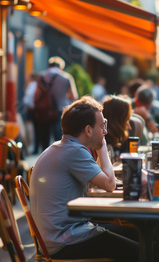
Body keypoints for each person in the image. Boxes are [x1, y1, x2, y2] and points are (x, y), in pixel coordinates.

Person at [30, 96, 138, 261]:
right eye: (102, 127)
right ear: (88, 130)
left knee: (138, 234)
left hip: (58, 235)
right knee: (141, 250)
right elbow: (110, 184)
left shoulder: (62, 147)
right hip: (65, 241)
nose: (105, 131)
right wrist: (102, 145)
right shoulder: (74, 151)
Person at [33, 57, 78, 154]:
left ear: (49, 66)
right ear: (61, 67)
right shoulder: (66, 77)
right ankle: (58, 156)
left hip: (44, 110)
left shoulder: (41, 77)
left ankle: (45, 156)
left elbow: (36, 94)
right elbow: (74, 97)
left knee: (45, 136)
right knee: (59, 136)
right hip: (61, 109)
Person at [103, 95, 132, 162]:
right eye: (126, 118)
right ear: (119, 119)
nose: (128, 123)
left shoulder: (116, 139)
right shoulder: (104, 143)